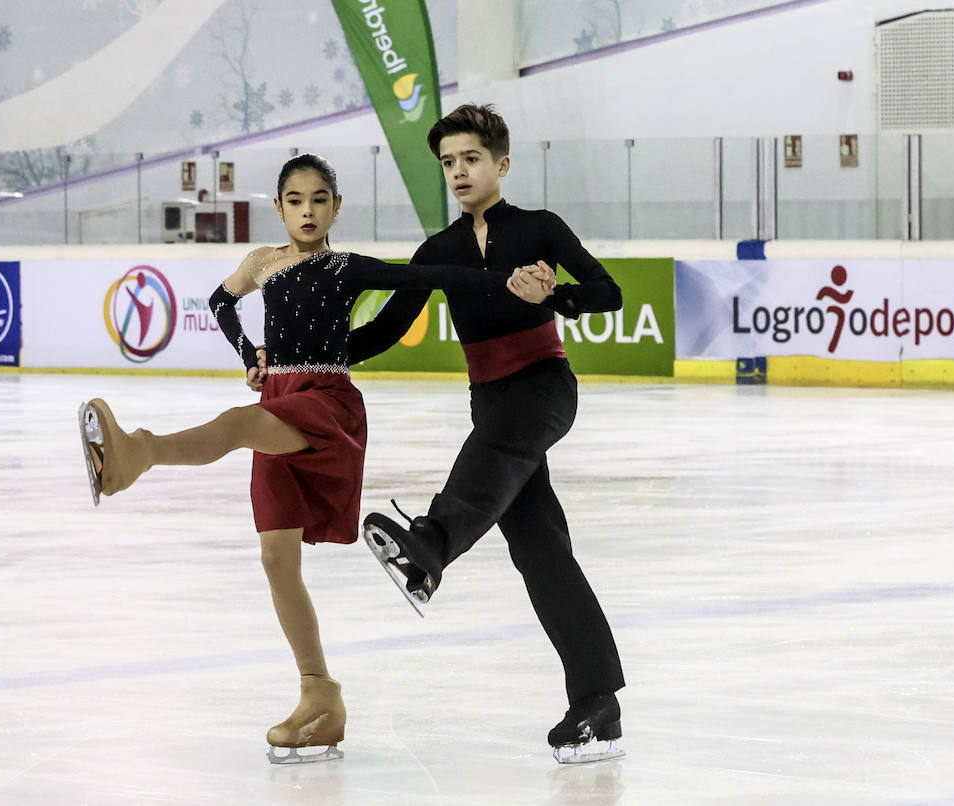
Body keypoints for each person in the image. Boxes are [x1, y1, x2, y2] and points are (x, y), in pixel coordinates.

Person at [76, 153, 549, 765]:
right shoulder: (262, 264)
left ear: (335, 207)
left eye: (320, 199)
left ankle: (136, 452)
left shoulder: (346, 267)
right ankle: (319, 696)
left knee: (239, 425)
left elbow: (427, 279)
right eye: (295, 200)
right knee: (276, 558)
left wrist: (505, 280)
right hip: (280, 396)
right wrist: (250, 355)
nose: (307, 210)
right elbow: (222, 304)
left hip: (326, 404)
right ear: (278, 207)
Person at [349, 104, 627, 763]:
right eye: (448, 162)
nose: (458, 171)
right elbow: (384, 331)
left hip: (544, 386)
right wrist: (309, 356)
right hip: (491, 397)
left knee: (495, 450)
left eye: (470, 158)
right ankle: (598, 704)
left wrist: (557, 298)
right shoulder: (437, 251)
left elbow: (607, 291)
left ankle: (432, 544)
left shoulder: (539, 228)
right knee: (540, 552)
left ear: (500, 164)